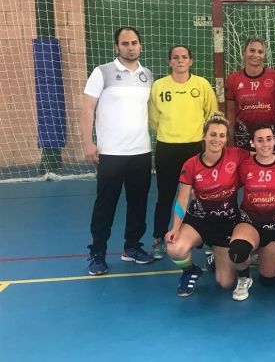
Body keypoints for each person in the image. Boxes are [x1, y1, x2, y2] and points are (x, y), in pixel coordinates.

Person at [81, 26, 154, 275]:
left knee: (138, 204)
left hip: (141, 152)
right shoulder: (102, 72)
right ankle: (97, 253)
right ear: (117, 47)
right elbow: (87, 108)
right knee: (105, 205)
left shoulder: (148, 75)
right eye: (125, 43)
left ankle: (132, 247)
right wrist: (87, 142)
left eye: (134, 42)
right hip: (110, 153)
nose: (130, 47)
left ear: (140, 45)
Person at [165, 113, 252, 298]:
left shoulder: (235, 155)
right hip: (200, 219)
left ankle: (214, 255)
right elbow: (182, 200)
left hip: (226, 221)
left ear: (226, 139)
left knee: (226, 283)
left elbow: (262, 153)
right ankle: (190, 271)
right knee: (175, 248)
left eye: (222, 135)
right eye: (213, 134)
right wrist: (176, 228)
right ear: (204, 135)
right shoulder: (191, 164)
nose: (217, 139)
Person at [148, 45, 217, 259]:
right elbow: (153, 118)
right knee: (166, 195)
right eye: (175, 58)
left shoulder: (202, 85)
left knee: (200, 195)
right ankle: (159, 238)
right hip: (167, 148)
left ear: (191, 61)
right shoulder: (159, 86)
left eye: (184, 57)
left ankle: (205, 237)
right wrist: (171, 132)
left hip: (195, 148)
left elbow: (212, 113)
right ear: (169, 62)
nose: (180, 61)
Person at [233, 123, 275, 300]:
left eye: (269, 139)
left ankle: (259, 254)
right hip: (249, 222)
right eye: (260, 140)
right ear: (252, 143)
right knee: (237, 252)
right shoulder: (244, 165)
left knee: (269, 281)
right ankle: (244, 278)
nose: (265, 144)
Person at [225, 38, 275, 151]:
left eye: (260, 52)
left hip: (270, 135)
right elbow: (230, 111)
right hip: (244, 135)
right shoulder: (233, 79)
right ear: (244, 52)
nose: (256, 55)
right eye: (252, 50)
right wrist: (230, 136)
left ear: (264, 55)